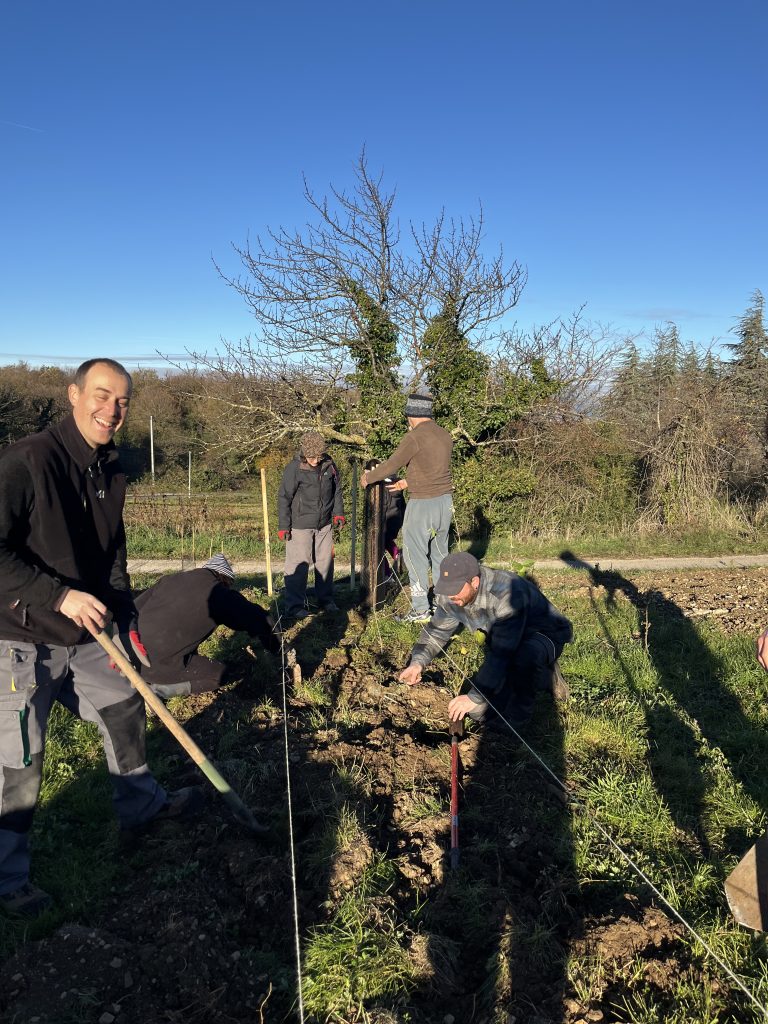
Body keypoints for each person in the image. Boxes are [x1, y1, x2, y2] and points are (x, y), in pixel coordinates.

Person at [0, 359, 202, 918]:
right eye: (101, 394)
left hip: (87, 633)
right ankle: (9, 878)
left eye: (123, 401)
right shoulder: (27, 460)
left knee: (123, 707)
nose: (111, 410)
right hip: (20, 636)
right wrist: (57, 595)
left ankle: (142, 808)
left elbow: (112, 552)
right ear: (73, 394)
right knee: (20, 757)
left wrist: (122, 613)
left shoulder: (109, 468)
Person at [398, 552, 573, 729]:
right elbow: (437, 631)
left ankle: (519, 717)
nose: (451, 596)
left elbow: (503, 652)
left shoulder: (508, 593)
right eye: (447, 589)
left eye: (456, 589)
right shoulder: (451, 595)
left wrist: (475, 697)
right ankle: (535, 677)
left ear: (475, 582)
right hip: (503, 640)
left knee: (524, 658)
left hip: (543, 634)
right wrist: (417, 663)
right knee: (478, 712)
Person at [134, 554, 281, 699]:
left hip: (131, 654)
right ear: (224, 579)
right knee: (218, 674)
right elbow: (258, 618)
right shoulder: (218, 593)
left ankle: (147, 678)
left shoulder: (170, 579)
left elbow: (134, 607)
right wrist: (277, 648)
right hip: (155, 666)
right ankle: (158, 691)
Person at [362, 394, 452, 623]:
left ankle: (421, 609)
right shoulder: (444, 434)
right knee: (440, 554)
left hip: (422, 503)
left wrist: (369, 478)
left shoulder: (414, 437)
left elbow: (392, 464)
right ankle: (443, 603)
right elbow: (433, 469)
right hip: (444, 502)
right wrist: (408, 482)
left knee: (414, 555)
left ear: (411, 414)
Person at [278, 431, 345, 619]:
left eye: (318, 456)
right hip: (300, 525)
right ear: (304, 453)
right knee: (298, 565)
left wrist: (338, 513)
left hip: (325, 524)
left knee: (325, 563)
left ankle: (326, 600)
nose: (315, 460)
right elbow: (284, 497)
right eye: (311, 457)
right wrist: (284, 525)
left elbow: (337, 490)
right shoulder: (294, 468)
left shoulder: (330, 465)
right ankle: (295, 607)